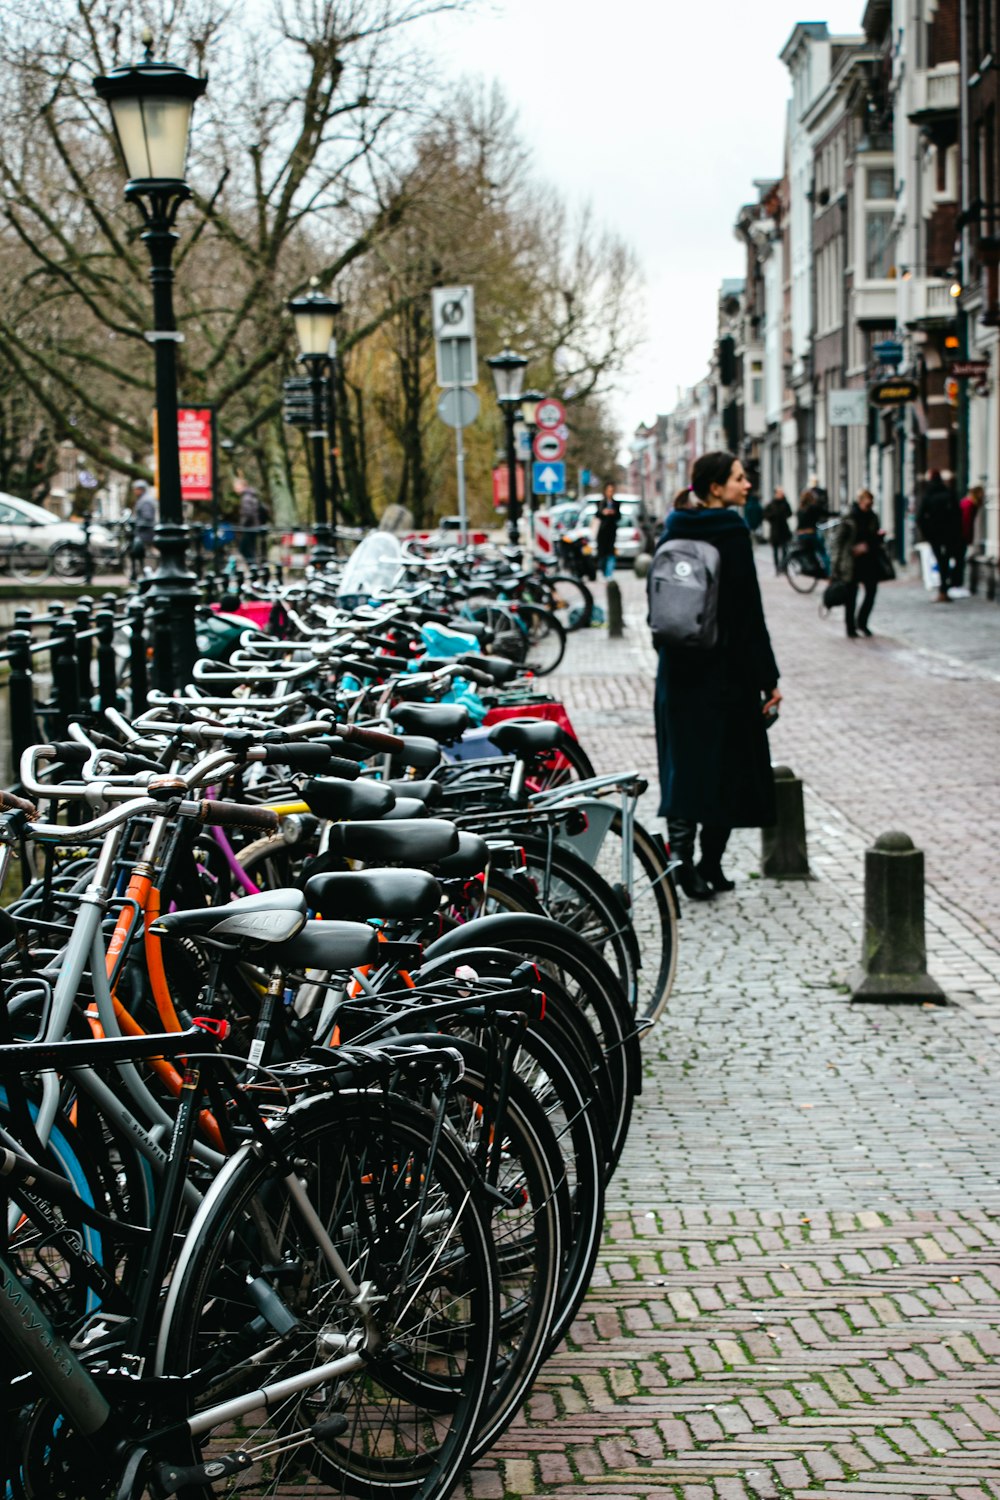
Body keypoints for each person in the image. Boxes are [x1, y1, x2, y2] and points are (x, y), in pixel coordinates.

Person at [653, 450, 781, 901]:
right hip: (724, 672)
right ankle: (708, 862)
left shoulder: (673, 528)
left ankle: (681, 863)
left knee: (684, 768)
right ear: (715, 488)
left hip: (676, 669)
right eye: (739, 479)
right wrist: (768, 677)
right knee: (727, 768)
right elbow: (749, 613)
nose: (747, 486)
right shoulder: (732, 532)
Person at [831, 488, 882, 638]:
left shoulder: (873, 517)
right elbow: (838, 542)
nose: (870, 504)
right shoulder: (849, 518)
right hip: (851, 562)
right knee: (851, 595)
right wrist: (836, 565)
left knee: (871, 593)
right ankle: (850, 627)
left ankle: (862, 622)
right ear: (860, 501)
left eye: (871, 502)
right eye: (867, 501)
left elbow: (875, 537)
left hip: (869, 560)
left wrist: (871, 543)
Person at [917, 470, 961, 601]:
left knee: (940, 559)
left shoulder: (928, 495)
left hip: (934, 534)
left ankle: (943, 589)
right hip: (949, 533)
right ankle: (944, 588)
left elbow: (920, 517)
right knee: (946, 560)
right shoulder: (948, 494)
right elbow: (957, 515)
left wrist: (926, 533)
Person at [955, 484, 984, 588]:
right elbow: (966, 522)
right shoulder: (969, 504)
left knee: (959, 559)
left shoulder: (967, 502)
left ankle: (956, 582)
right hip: (961, 536)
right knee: (959, 560)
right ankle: (957, 583)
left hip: (960, 535)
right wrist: (967, 538)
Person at [129, 479, 157, 580]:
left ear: (141, 489)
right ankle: (140, 573)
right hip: (144, 532)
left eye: (136, 489)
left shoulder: (145, 501)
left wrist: (137, 523)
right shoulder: (143, 499)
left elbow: (147, 517)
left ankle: (144, 573)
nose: (134, 491)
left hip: (145, 533)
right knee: (139, 553)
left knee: (141, 553)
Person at [593, 482, 620, 580]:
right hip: (602, 532)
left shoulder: (616, 503)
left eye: (612, 491)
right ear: (605, 492)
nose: (610, 493)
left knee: (611, 553)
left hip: (611, 531)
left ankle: (609, 573)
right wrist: (604, 512)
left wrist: (613, 512)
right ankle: (602, 571)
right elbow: (597, 515)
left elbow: (619, 516)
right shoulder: (601, 502)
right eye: (609, 491)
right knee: (602, 553)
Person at [235, 476, 263, 565]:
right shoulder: (252, 495)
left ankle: (253, 568)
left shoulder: (246, 498)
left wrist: (241, 527)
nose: (235, 489)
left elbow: (247, 514)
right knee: (251, 549)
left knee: (244, 549)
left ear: (242, 486)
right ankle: (254, 568)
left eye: (236, 486)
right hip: (254, 527)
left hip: (249, 527)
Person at [762, 488, 792, 574]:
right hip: (775, 530)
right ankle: (777, 568)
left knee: (784, 550)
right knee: (775, 551)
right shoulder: (772, 504)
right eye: (779, 493)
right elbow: (765, 514)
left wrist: (783, 515)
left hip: (784, 530)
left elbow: (790, 513)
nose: (781, 494)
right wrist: (772, 517)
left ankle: (784, 567)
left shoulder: (785, 503)